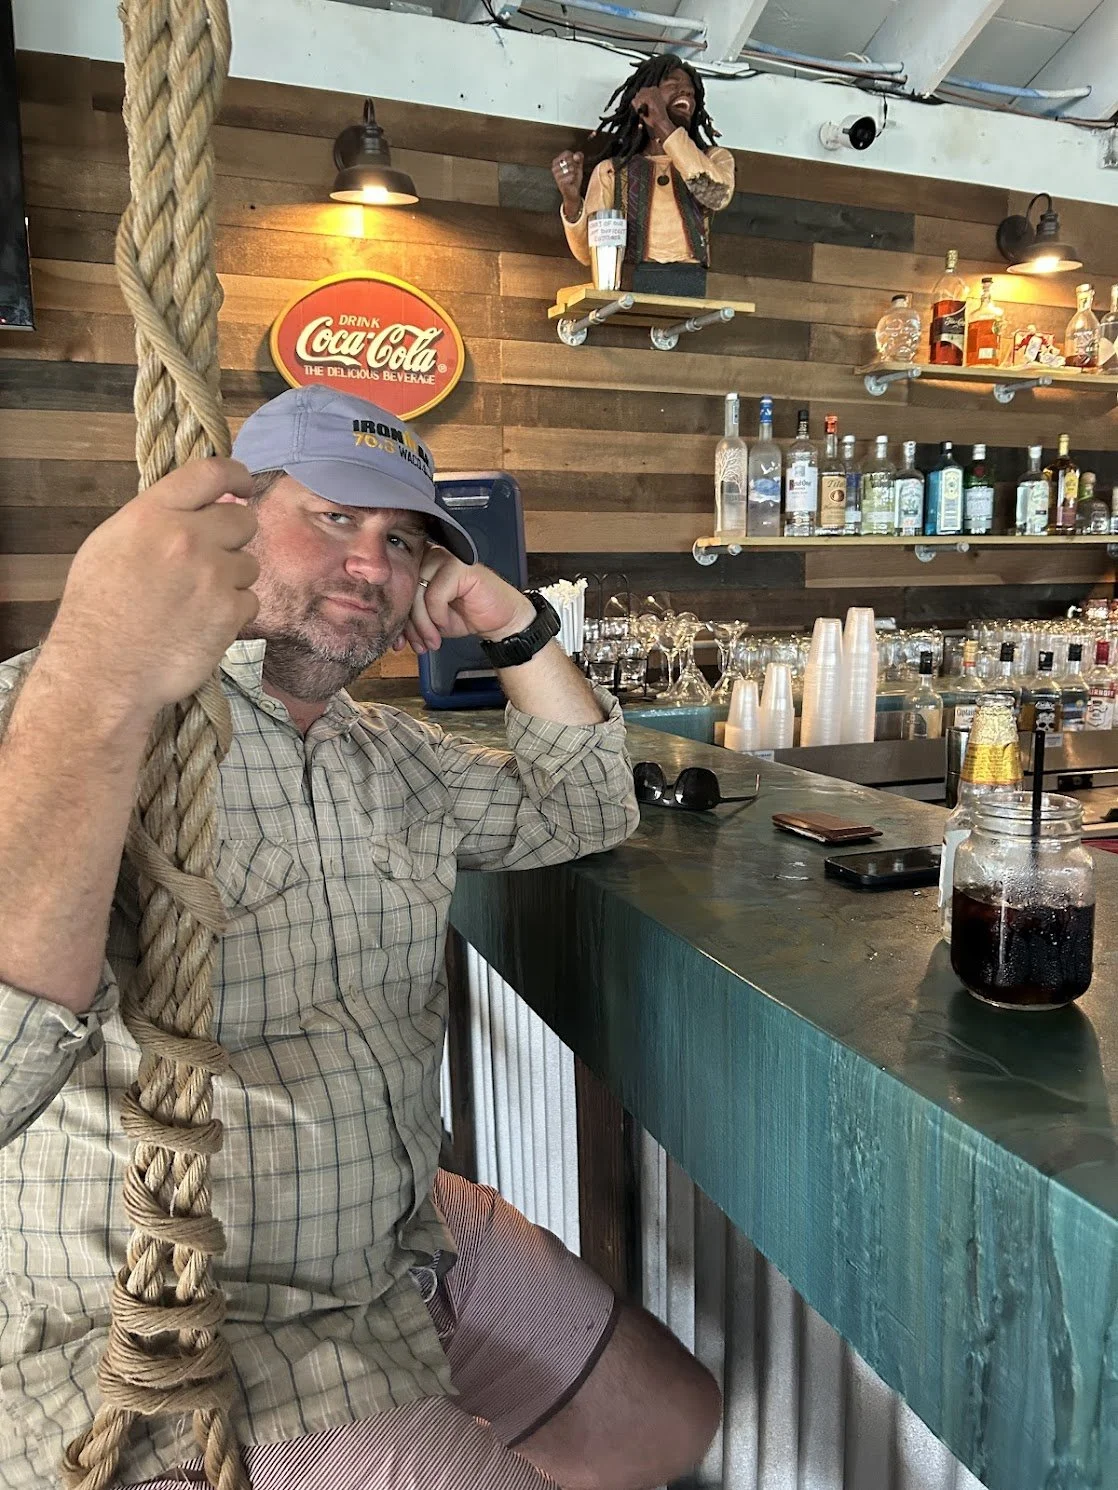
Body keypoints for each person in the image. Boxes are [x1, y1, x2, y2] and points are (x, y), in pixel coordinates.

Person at [0, 385, 720, 1490]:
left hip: (389, 1253)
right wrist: (102, 666)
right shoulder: (48, 717)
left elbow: (587, 805)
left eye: (403, 541)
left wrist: (512, 622)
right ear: (229, 518)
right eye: (333, 517)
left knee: (664, 1419)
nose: (370, 565)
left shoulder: (387, 753)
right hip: (170, 1330)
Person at [552, 53, 735, 298]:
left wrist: (662, 122)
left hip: (690, 284)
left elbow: (714, 194)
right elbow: (589, 255)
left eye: (691, 91)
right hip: (629, 286)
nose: (686, 92)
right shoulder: (612, 171)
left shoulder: (715, 159)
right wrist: (572, 201)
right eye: (673, 84)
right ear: (643, 98)